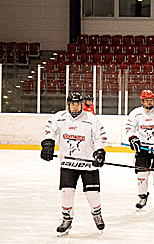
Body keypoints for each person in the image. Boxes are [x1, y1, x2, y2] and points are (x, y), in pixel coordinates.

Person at [40, 91, 108, 235]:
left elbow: (100, 137)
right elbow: (49, 130)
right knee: (67, 192)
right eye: (72, 103)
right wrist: (48, 143)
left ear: (82, 104)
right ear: (68, 104)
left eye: (77, 103)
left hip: (89, 164)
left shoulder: (91, 119)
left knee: (92, 193)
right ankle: (67, 219)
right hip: (68, 164)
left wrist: (99, 151)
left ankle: (97, 214)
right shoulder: (60, 118)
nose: (75, 106)